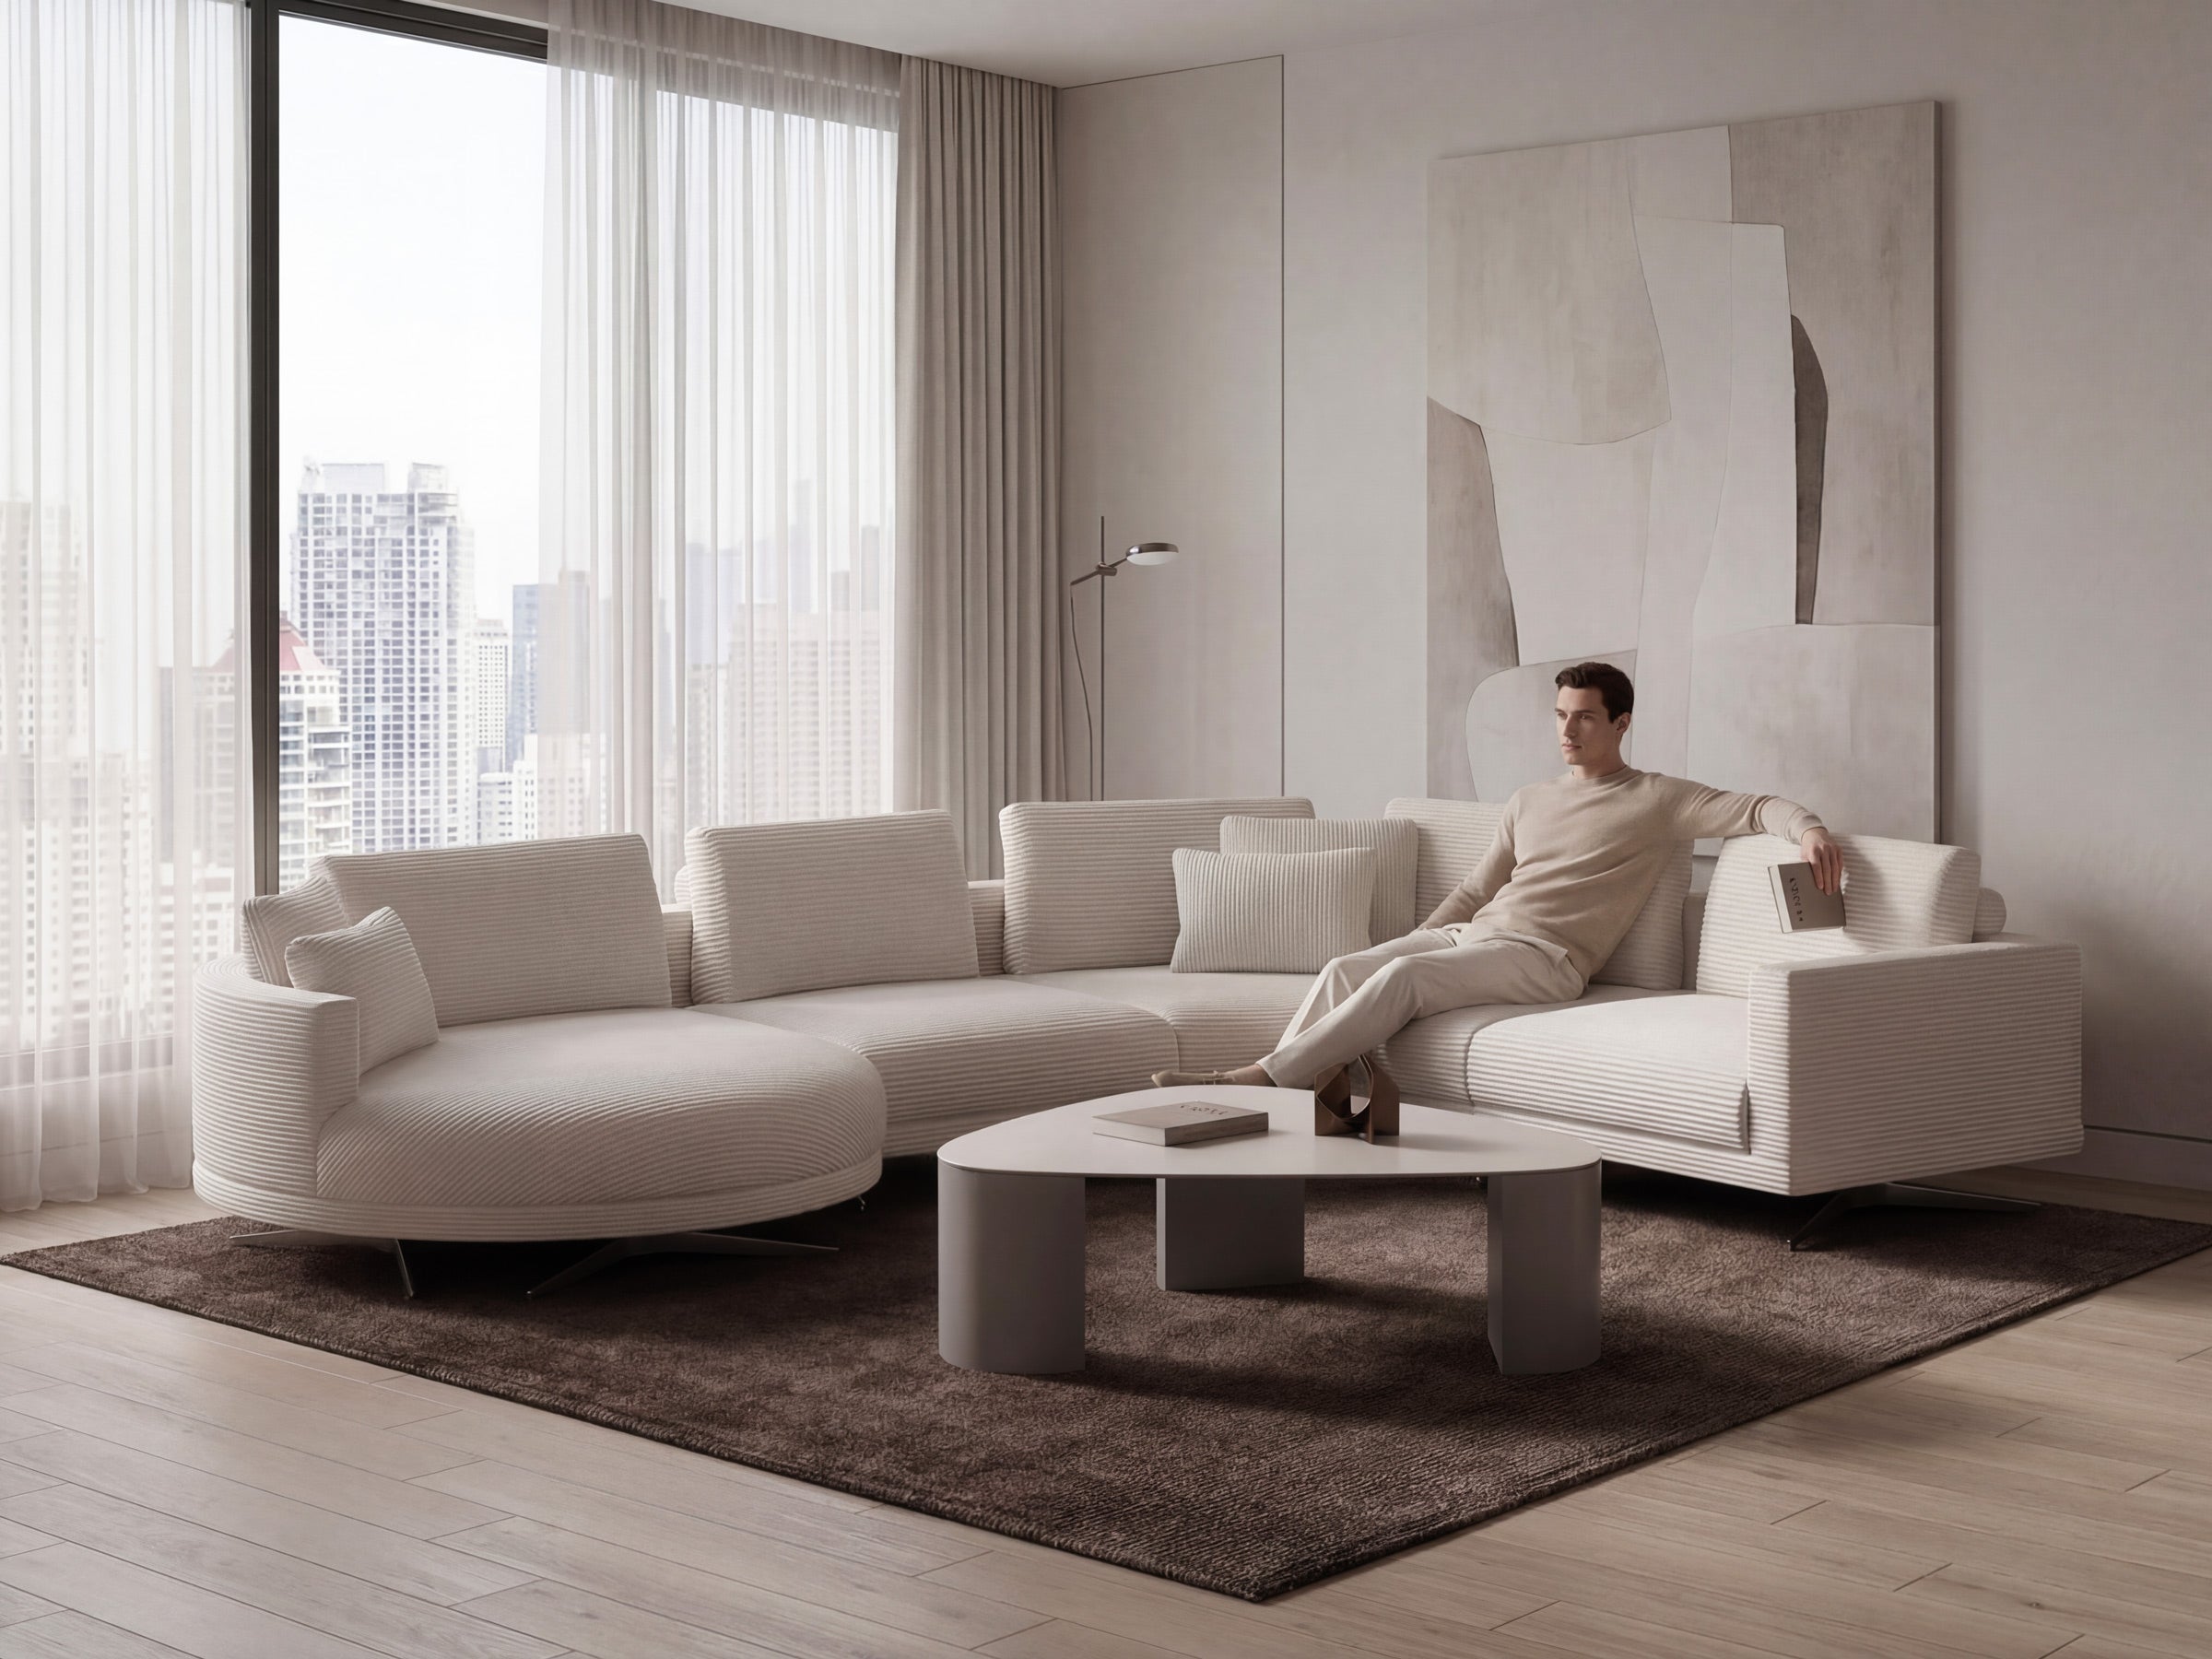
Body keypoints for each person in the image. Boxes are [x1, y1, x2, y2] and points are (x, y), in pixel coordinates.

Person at [1152, 661, 1844, 1094]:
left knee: (1402, 982)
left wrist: (1808, 828)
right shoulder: (1530, 799)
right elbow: (1476, 892)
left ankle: (1257, 1082)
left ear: (1621, 722)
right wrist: (1423, 937)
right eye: (1560, 717)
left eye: (1584, 718)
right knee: (1347, 968)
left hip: (1547, 961)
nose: (1567, 731)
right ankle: (1282, 1098)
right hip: (1472, 938)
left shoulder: (1657, 799)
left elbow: (1756, 808)